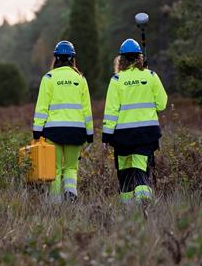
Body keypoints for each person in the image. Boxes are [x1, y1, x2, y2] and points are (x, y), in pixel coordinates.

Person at [102, 38, 167, 203]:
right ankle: (144, 205)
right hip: (146, 134)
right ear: (139, 57)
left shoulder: (116, 80)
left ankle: (127, 209)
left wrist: (106, 136)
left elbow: (111, 112)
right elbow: (162, 104)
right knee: (141, 169)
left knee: (124, 171)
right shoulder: (151, 76)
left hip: (122, 136)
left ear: (121, 59)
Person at [32, 40, 94, 201]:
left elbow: (42, 107)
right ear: (73, 59)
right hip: (77, 131)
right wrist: (90, 133)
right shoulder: (80, 79)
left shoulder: (49, 78)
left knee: (55, 168)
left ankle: (55, 202)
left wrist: (37, 131)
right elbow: (87, 110)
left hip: (53, 131)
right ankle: (71, 193)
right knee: (72, 167)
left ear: (56, 58)